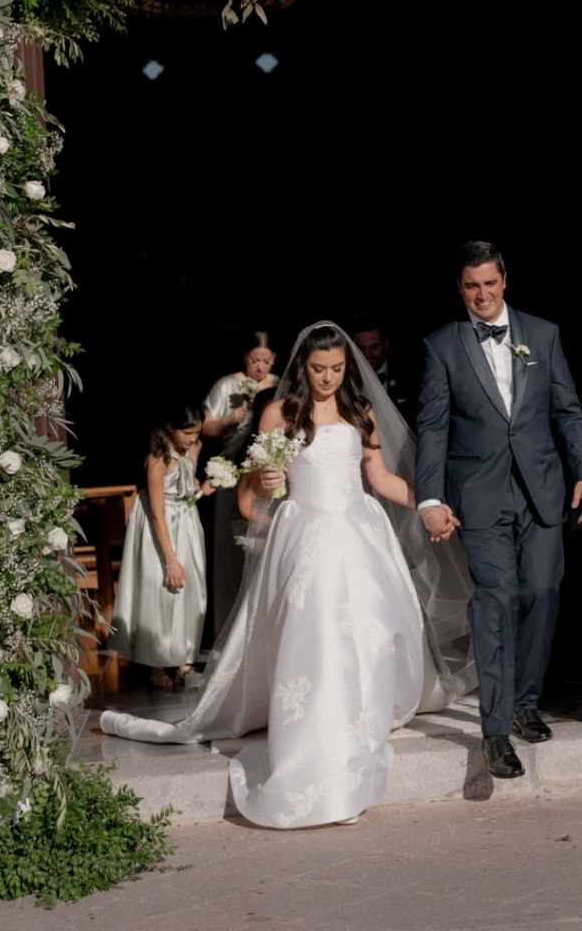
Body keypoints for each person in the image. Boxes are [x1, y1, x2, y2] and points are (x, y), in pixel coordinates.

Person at [100, 322, 475, 829]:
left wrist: (429, 505)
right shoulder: (279, 413)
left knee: (371, 627)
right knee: (317, 631)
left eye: (338, 369)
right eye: (319, 369)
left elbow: (381, 478)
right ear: (303, 366)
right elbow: (252, 499)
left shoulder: (360, 411)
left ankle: (360, 711)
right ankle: (318, 732)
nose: (328, 378)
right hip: (306, 535)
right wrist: (271, 485)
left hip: (360, 532)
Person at [416, 241, 582, 780]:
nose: (481, 294)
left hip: (542, 488)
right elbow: (432, 426)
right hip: (479, 495)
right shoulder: (441, 345)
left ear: (504, 280)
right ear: (460, 288)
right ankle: (494, 732)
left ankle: (524, 701)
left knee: (541, 591)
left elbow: (568, 409)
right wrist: (430, 497)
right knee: (494, 600)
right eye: (471, 286)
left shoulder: (543, 334)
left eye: (489, 284)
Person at [108, 404, 212, 689]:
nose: (192, 438)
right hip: (160, 525)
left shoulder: (192, 448)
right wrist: (170, 559)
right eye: (187, 432)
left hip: (185, 523)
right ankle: (156, 663)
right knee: (161, 589)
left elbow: (185, 485)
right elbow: (157, 512)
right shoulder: (158, 458)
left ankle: (183, 661)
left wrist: (201, 489)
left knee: (187, 592)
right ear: (170, 427)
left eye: (197, 432)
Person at [202, 331, 279, 637]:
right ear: (245, 358)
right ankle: (230, 635)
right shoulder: (227, 385)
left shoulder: (279, 384)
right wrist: (228, 421)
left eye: (266, 361)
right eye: (254, 360)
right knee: (231, 559)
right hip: (232, 474)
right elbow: (205, 428)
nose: (260, 367)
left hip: (271, 476)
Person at [352, 313, 416, 426]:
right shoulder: (346, 378)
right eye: (361, 348)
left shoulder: (407, 374)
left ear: (385, 344)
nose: (367, 354)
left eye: (374, 347)